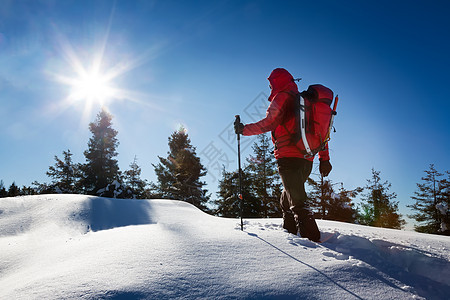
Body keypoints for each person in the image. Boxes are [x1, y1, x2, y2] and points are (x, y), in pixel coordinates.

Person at [234, 68, 332, 242]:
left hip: (288, 157)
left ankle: (313, 243)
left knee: (298, 202)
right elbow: (321, 134)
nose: (270, 87)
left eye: (271, 83)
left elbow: (269, 123)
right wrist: (324, 159)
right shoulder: (307, 102)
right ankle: (290, 236)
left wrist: (244, 130)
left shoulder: (283, 96)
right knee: (288, 198)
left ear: (276, 82)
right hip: (307, 158)